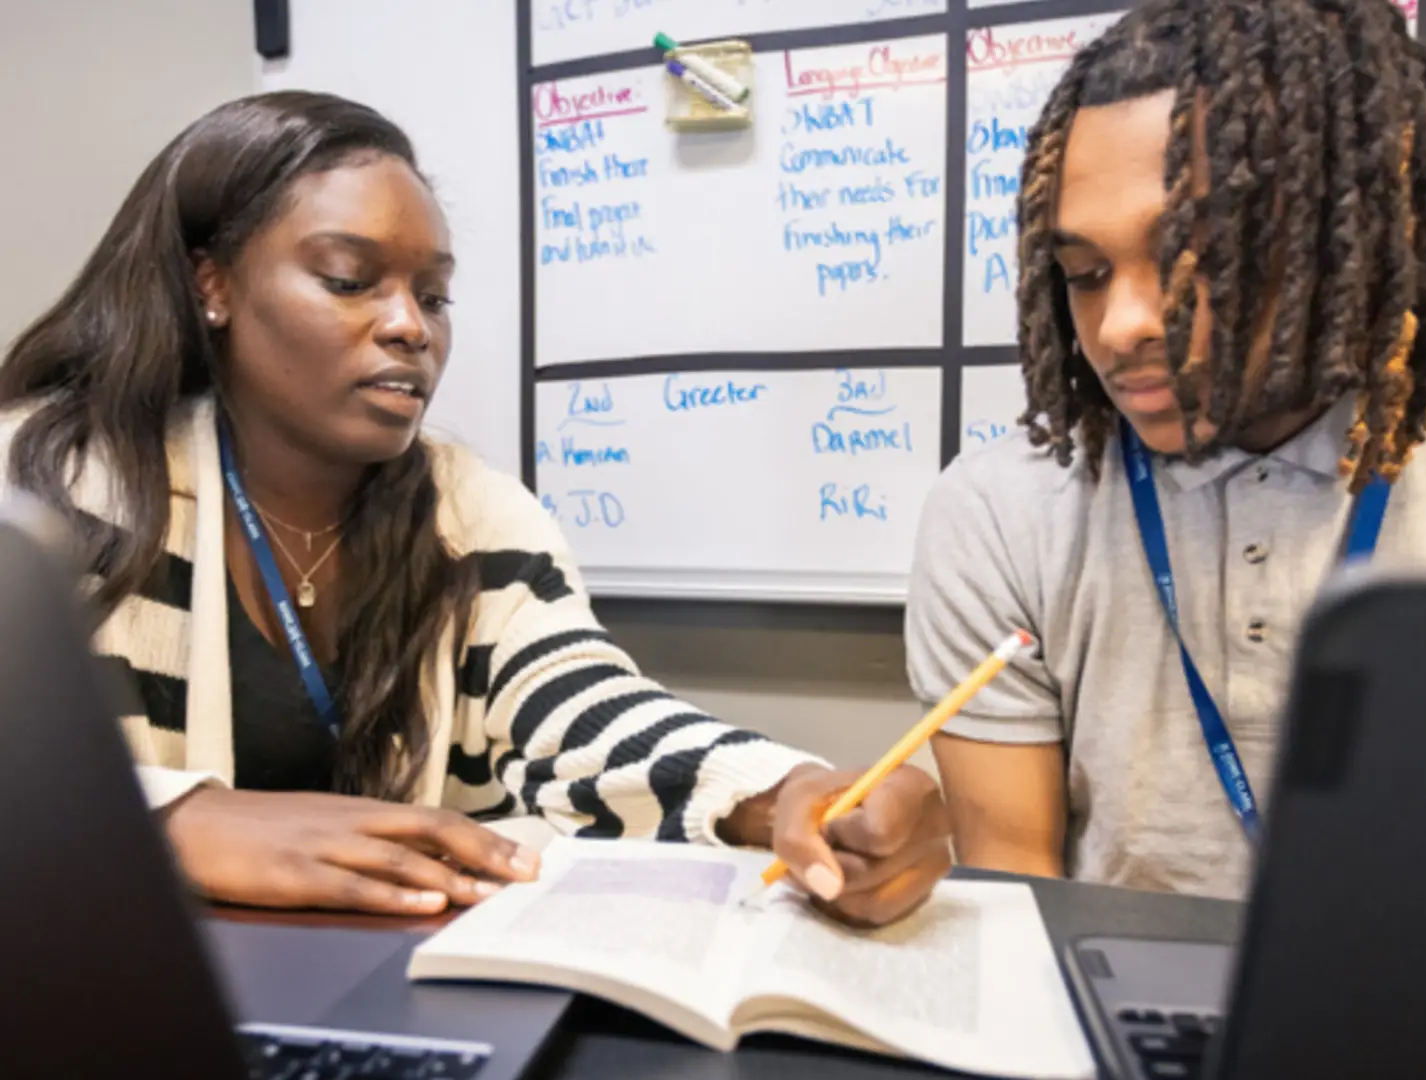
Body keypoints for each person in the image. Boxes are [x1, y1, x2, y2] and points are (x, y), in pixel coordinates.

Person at [0, 91, 950, 925]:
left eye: (434, 294)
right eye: (349, 279)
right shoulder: (51, 484)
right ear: (212, 283)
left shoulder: (475, 512)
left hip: (393, 991)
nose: (410, 325)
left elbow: (580, 712)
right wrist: (175, 820)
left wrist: (787, 792)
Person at [909, 0, 1426, 899]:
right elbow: (1017, 901)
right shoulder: (999, 512)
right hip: (1104, 1021)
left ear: (1339, 244)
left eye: (1197, 262)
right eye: (1084, 275)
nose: (1120, 327)